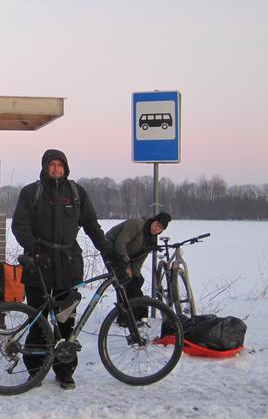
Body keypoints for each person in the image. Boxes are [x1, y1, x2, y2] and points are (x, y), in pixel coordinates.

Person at [11, 149, 114, 390]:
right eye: (51, 165)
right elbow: (20, 225)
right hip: (39, 267)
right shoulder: (31, 192)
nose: (56, 169)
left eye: (60, 165)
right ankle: (35, 372)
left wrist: (108, 250)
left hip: (68, 266)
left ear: (66, 168)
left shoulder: (77, 193)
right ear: (45, 167)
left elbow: (91, 225)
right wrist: (34, 248)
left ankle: (64, 371)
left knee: (66, 323)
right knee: (38, 322)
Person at [106, 212, 172, 321]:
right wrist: (127, 266)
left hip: (127, 254)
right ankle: (124, 316)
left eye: (160, 228)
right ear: (153, 221)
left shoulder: (152, 238)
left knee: (136, 280)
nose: (157, 229)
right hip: (111, 248)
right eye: (157, 225)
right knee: (123, 280)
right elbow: (120, 244)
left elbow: (140, 257)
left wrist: (135, 273)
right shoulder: (137, 224)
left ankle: (136, 314)